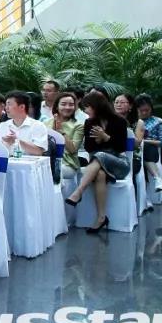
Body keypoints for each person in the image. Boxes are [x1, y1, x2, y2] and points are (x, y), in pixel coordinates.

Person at [65, 92, 130, 232]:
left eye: (87, 107)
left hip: (119, 163)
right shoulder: (89, 122)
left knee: (100, 154)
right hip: (97, 163)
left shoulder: (119, 121)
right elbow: (89, 148)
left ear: (96, 106)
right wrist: (98, 140)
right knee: (100, 174)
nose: (85, 111)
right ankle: (101, 218)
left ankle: (79, 191)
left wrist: (105, 137)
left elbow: (121, 147)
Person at [0, 91, 48, 156]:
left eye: (9, 104)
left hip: (29, 162)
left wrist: (17, 141)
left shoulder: (38, 125)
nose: (6, 108)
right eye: (6, 105)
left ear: (22, 107)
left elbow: (38, 151)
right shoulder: (2, 126)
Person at [46, 92, 85, 178]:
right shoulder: (46, 123)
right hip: (47, 160)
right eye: (63, 104)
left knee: (54, 170)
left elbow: (73, 149)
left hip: (68, 163)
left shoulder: (78, 126)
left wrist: (61, 131)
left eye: (71, 105)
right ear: (57, 106)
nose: (67, 107)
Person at [135, 94, 162, 192]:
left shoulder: (158, 121)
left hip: (150, 149)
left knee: (146, 147)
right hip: (133, 149)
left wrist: (144, 141)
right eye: (141, 110)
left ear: (151, 108)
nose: (144, 113)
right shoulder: (132, 121)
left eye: (147, 110)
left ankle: (157, 178)